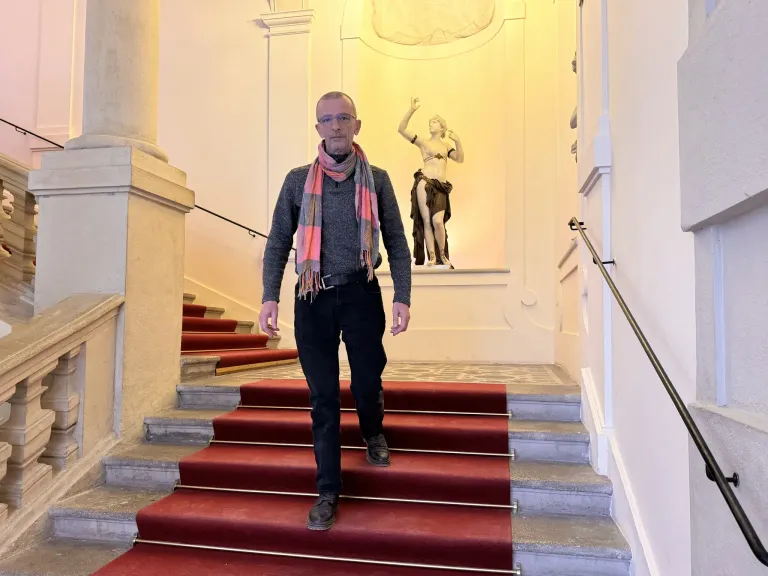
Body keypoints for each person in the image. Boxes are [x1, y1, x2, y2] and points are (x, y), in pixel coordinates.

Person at [259, 91, 413, 531]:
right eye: (327, 119)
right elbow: (277, 242)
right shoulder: (296, 181)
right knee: (323, 397)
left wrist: (403, 295)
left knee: (367, 377)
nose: (336, 126)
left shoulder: (377, 180)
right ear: (318, 129)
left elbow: (399, 243)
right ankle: (327, 490)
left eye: (344, 118)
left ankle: (373, 431)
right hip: (312, 297)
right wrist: (269, 295)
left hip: (362, 292)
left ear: (357, 125)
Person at [398, 97, 464, 268]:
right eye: (430, 122)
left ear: (442, 127)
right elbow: (402, 129)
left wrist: (457, 141)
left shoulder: (446, 146)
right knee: (426, 221)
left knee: (437, 221)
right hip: (424, 182)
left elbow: (459, 158)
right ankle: (432, 257)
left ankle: (443, 255)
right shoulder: (423, 142)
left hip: (440, 186)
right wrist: (412, 110)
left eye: (434, 122)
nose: (431, 124)